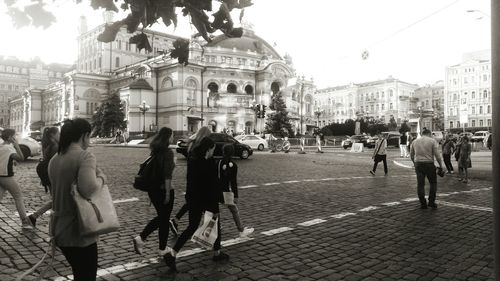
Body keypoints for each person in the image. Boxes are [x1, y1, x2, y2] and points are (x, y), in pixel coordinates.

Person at [48, 118, 107, 281]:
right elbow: (88, 190)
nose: (90, 141)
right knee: (86, 277)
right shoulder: (84, 156)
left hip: (59, 228)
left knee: (79, 273)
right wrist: (102, 177)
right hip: (79, 230)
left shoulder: (55, 158)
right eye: (90, 136)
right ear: (84, 136)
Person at [163, 137, 227, 271]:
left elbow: (190, 182)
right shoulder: (209, 163)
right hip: (208, 200)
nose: (213, 151)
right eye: (213, 149)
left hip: (194, 199)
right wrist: (216, 205)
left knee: (191, 227)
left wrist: (189, 198)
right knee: (215, 223)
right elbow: (213, 185)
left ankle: (173, 253)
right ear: (209, 149)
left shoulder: (193, 160)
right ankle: (217, 253)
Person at [133, 127, 176, 256]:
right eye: (172, 135)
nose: (173, 137)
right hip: (163, 189)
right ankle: (143, 238)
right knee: (164, 218)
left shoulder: (156, 150)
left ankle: (160, 247)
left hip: (153, 189)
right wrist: (168, 193)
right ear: (168, 137)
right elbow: (167, 175)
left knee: (162, 218)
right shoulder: (168, 152)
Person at [169, 126, 212, 236]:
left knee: (191, 202)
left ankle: (176, 220)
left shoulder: (192, 145)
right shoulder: (201, 148)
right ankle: (208, 227)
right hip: (198, 181)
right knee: (198, 205)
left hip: (191, 178)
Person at [217, 144, 254, 238]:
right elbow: (233, 182)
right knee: (234, 210)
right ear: (232, 153)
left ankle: (216, 226)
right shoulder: (234, 165)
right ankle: (241, 230)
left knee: (214, 210)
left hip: (215, 190)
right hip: (225, 192)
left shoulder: (217, 162)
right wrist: (236, 196)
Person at [0, 129, 33, 230]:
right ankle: (25, 221)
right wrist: (17, 145)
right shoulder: (9, 148)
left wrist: (10, 161)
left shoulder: (1, 146)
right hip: (7, 177)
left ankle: (25, 221)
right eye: (15, 136)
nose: (16, 138)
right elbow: (21, 158)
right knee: (18, 196)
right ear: (10, 138)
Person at [29, 126, 60, 227]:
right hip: (54, 177)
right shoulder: (55, 146)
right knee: (58, 200)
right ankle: (34, 216)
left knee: (56, 200)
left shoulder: (47, 145)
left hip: (48, 176)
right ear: (52, 135)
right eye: (58, 133)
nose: (60, 135)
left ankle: (34, 216)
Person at [410, 128, 444, 209]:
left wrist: (414, 163)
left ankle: (423, 203)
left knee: (420, 184)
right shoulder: (432, 141)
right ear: (429, 134)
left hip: (418, 163)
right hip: (429, 164)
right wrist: (441, 166)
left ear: (422, 134)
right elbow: (437, 155)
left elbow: (411, 154)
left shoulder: (415, 141)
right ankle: (431, 201)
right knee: (433, 183)